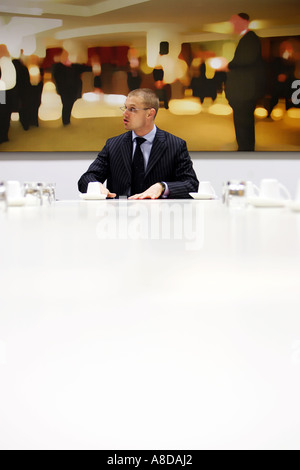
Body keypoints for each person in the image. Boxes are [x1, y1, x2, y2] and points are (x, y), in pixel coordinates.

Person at [78, 88, 199, 199]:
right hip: (120, 217)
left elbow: (191, 184)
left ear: (149, 113)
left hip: (159, 216)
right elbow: (86, 179)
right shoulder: (113, 144)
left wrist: (162, 187)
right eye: (125, 108)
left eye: (132, 109)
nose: (125, 113)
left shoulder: (175, 145)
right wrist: (95, 186)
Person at [225, 13, 266, 151]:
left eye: (235, 22)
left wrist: (228, 65)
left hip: (244, 92)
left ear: (244, 22)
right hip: (244, 91)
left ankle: (245, 150)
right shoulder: (247, 39)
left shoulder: (250, 38)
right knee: (244, 123)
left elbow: (243, 62)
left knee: (243, 123)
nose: (232, 25)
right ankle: (245, 147)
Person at [52, 50, 92, 125]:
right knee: (66, 104)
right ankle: (65, 121)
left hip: (73, 90)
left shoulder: (74, 66)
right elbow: (57, 79)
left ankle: (67, 120)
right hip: (64, 90)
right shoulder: (58, 67)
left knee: (70, 104)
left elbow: (85, 68)